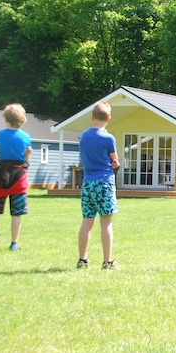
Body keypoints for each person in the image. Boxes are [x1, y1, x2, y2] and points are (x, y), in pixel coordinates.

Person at [77, 101, 121, 270]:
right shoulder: (109, 138)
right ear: (108, 119)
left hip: (87, 182)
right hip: (104, 182)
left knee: (87, 222)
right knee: (106, 223)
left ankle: (82, 260)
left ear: (92, 117)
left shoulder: (84, 136)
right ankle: (107, 261)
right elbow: (114, 160)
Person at [0, 104, 32, 252]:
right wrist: (28, 155)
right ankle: (14, 243)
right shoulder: (26, 137)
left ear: (6, 119)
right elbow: (26, 154)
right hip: (18, 175)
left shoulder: (0, 134)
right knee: (17, 212)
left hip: (1, 172)